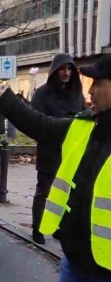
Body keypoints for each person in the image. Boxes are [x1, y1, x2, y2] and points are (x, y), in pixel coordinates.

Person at [0, 56, 111, 282]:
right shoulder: (83, 126)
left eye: (98, 84)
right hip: (76, 260)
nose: (90, 91)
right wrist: (6, 100)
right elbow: (41, 125)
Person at [29, 53, 87, 244]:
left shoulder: (76, 94)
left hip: (70, 153)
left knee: (66, 193)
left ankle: (60, 226)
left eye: (69, 69)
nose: (66, 73)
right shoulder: (42, 94)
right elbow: (36, 121)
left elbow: (83, 116)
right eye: (62, 69)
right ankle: (37, 227)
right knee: (43, 191)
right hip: (49, 151)